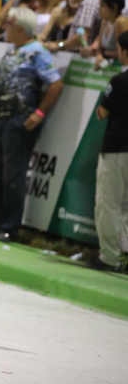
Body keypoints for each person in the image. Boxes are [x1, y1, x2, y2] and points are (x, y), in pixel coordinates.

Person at [0, 7, 63, 242]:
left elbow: (55, 85)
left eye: (10, 25)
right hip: (2, 117)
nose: (6, 29)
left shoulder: (38, 53)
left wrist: (40, 113)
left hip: (20, 119)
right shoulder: (13, 51)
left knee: (13, 175)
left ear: (22, 29)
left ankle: (9, 227)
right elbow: (1, 84)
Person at [90, 31, 128, 272]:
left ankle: (110, 257)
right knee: (126, 207)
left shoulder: (119, 82)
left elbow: (101, 113)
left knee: (109, 204)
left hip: (117, 149)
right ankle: (124, 255)